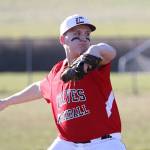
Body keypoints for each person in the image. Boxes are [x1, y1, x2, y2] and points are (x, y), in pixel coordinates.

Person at [0, 14, 126, 150]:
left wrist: (94, 50)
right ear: (62, 39)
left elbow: (110, 52)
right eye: (77, 33)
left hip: (104, 143)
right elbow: (39, 88)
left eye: (87, 34)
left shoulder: (94, 62)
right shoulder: (57, 71)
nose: (83, 38)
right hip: (67, 143)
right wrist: (6, 102)